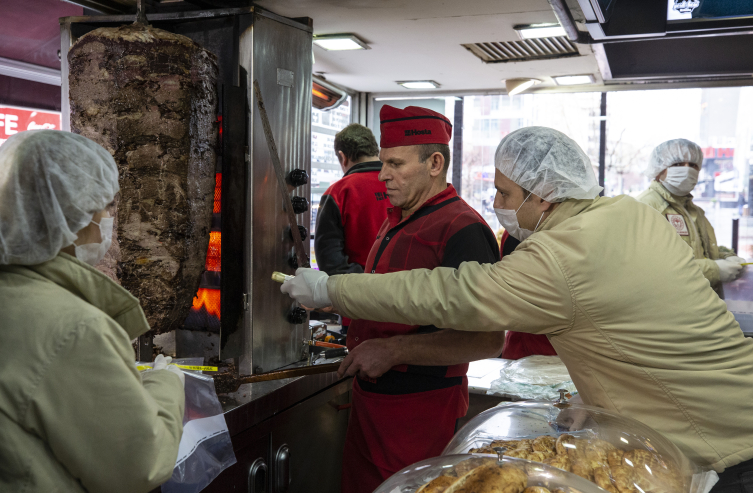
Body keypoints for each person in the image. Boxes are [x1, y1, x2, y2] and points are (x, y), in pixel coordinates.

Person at [282, 126, 753, 491]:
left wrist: (333, 290)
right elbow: (638, 331)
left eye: (505, 194)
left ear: (543, 193)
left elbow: (449, 293)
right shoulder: (631, 214)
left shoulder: (563, 254)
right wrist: (598, 402)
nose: (496, 203)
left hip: (723, 454)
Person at [290, 105, 504, 493]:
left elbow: (487, 338)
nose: (383, 174)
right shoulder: (397, 218)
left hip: (420, 411)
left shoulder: (463, 229)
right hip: (372, 403)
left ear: (435, 163)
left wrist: (394, 350)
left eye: (395, 164)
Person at [0, 130, 186, 493]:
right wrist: (167, 384)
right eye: (106, 207)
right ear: (71, 216)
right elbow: (140, 465)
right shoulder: (75, 328)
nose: (109, 219)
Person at [637, 138, 745, 295]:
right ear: (659, 169)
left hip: (695, 301)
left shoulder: (694, 211)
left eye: (693, 165)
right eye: (678, 164)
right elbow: (652, 266)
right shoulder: (646, 207)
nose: (687, 170)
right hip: (667, 305)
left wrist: (727, 257)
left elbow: (703, 250)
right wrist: (714, 270)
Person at [314, 123, 389, 333]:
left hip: (359, 308)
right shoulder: (401, 185)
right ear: (375, 150)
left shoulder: (338, 192)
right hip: (405, 304)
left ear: (342, 157)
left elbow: (330, 261)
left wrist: (363, 282)